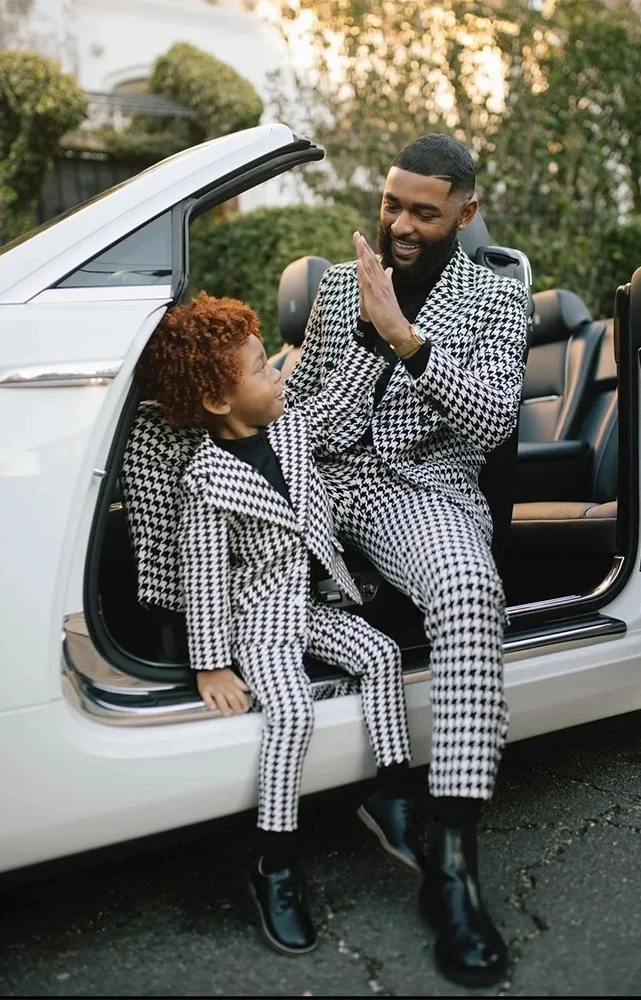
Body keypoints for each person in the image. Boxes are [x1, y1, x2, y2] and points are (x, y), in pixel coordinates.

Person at [284, 133, 528, 987]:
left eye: (424, 211)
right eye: (393, 203)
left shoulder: (498, 292)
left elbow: (494, 422)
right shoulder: (334, 286)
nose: (400, 223)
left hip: (417, 489)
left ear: (464, 208)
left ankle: (452, 865)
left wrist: (404, 338)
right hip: (322, 476)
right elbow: (301, 407)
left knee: (467, 590)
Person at [132, 293, 419, 956]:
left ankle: (393, 794)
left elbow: (340, 404)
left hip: (310, 604)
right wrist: (211, 662)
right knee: (291, 714)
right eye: (263, 369)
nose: (279, 375)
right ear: (216, 402)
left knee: (379, 654)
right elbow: (202, 574)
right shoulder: (206, 480)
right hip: (257, 624)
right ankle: (277, 860)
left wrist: (376, 339)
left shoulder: (289, 427)